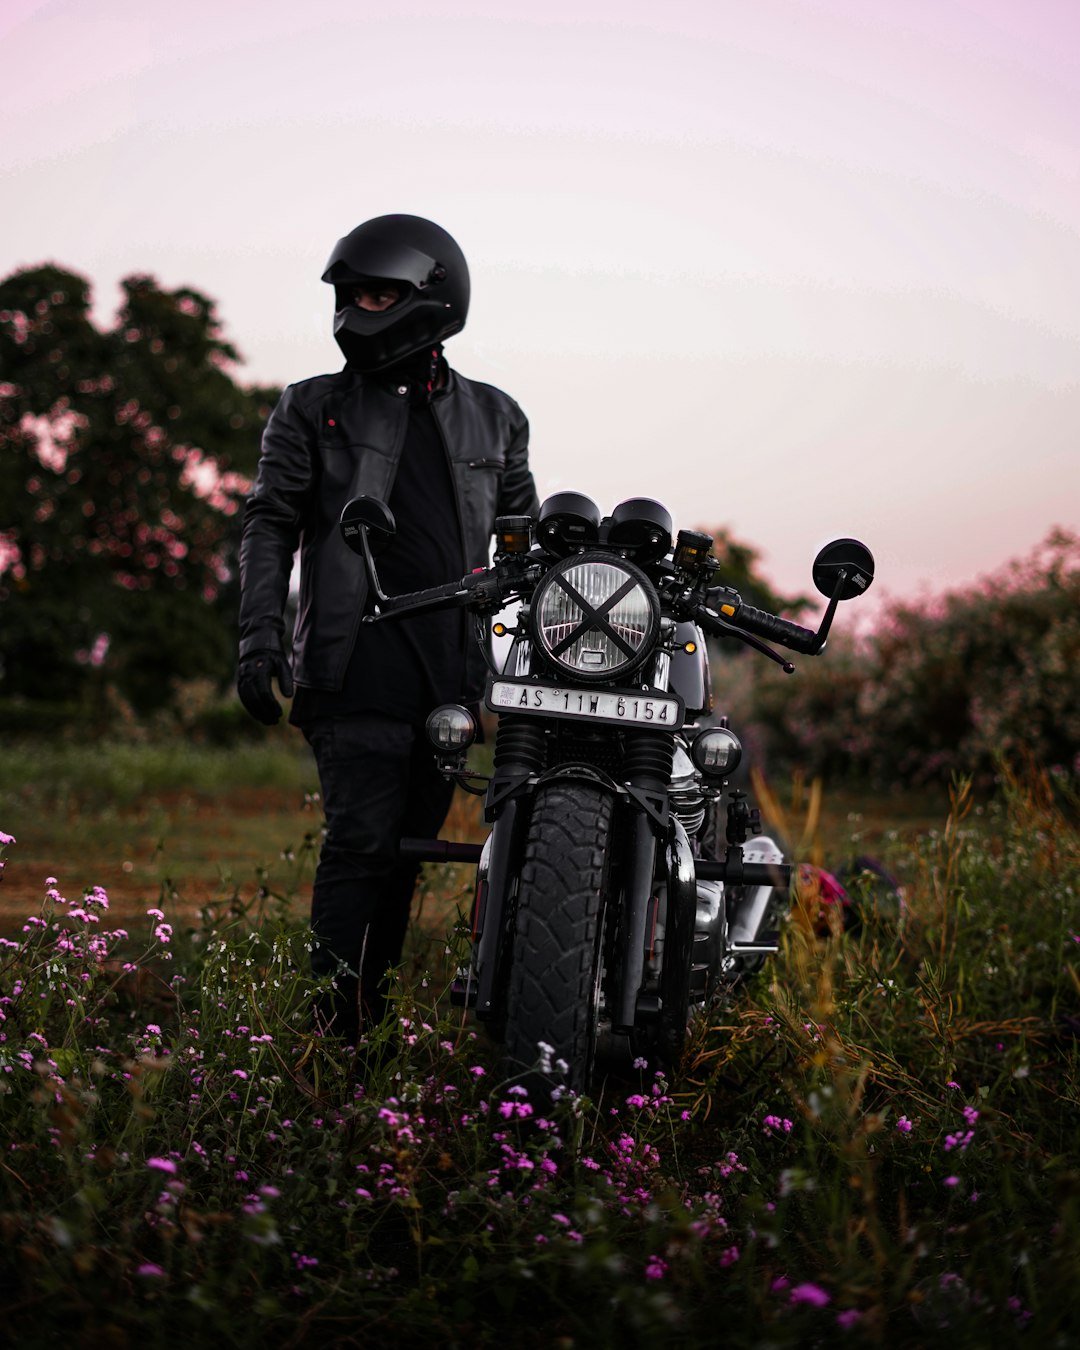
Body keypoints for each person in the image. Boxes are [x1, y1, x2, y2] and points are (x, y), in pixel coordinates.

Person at [236, 214, 538, 1046]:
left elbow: (525, 544)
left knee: (405, 855)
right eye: (349, 294)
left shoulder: (497, 418)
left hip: (450, 677)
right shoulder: (311, 406)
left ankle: (362, 1035)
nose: (356, 310)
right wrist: (259, 636)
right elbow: (270, 523)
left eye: (375, 293)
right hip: (352, 662)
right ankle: (331, 1040)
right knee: (361, 844)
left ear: (431, 297)